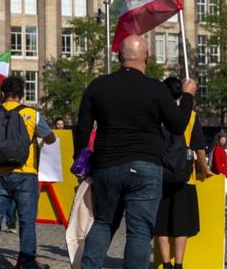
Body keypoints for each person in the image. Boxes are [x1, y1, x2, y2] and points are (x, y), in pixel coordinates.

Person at [74, 35, 197, 269]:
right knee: (140, 230)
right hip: (145, 165)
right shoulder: (156, 88)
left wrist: (80, 163)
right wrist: (188, 95)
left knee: (103, 222)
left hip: (107, 165)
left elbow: (82, 129)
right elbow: (178, 125)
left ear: (119, 57)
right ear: (147, 58)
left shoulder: (97, 86)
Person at [0, 76, 56, 269]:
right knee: (27, 220)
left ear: (3, 94)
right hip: (26, 172)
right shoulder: (32, 114)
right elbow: (51, 138)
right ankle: (28, 262)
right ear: (22, 94)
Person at [155, 77, 214, 269]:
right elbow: (199, 147)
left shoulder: (156, 115)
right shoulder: (190, 115)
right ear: (181, 93)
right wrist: (205, 169)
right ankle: (179, 264)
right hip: (184, 177)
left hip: (160, 176)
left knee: (160, 223)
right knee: (181, 224)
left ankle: (166, 263)